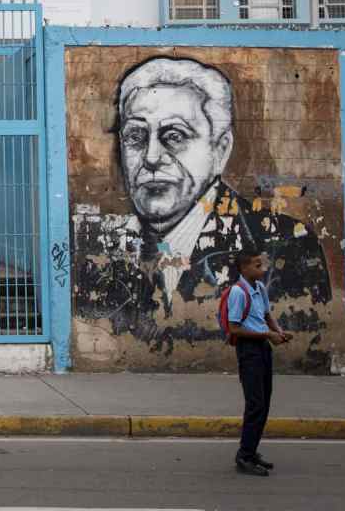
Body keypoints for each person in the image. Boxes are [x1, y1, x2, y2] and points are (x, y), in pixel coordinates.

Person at [74, 56, 331, 351]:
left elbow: (305, 349)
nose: (152, 157)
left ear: (220, 151)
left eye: (174, 136)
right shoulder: (100, 249)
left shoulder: (284, 245)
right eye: (136, 136)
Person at [227, 249, 292, 477]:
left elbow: (266, 315)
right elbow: (235, 328)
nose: (262, 269)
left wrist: (279, 332)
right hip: (249, 351)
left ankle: (251, 451)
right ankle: (244, 456)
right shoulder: (238, 292)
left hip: (263, 348)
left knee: (264, 403)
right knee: (255, 404)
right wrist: (267, 336)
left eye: (261, 265)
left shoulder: (260, 288)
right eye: (257, 265)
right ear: (244, 269)